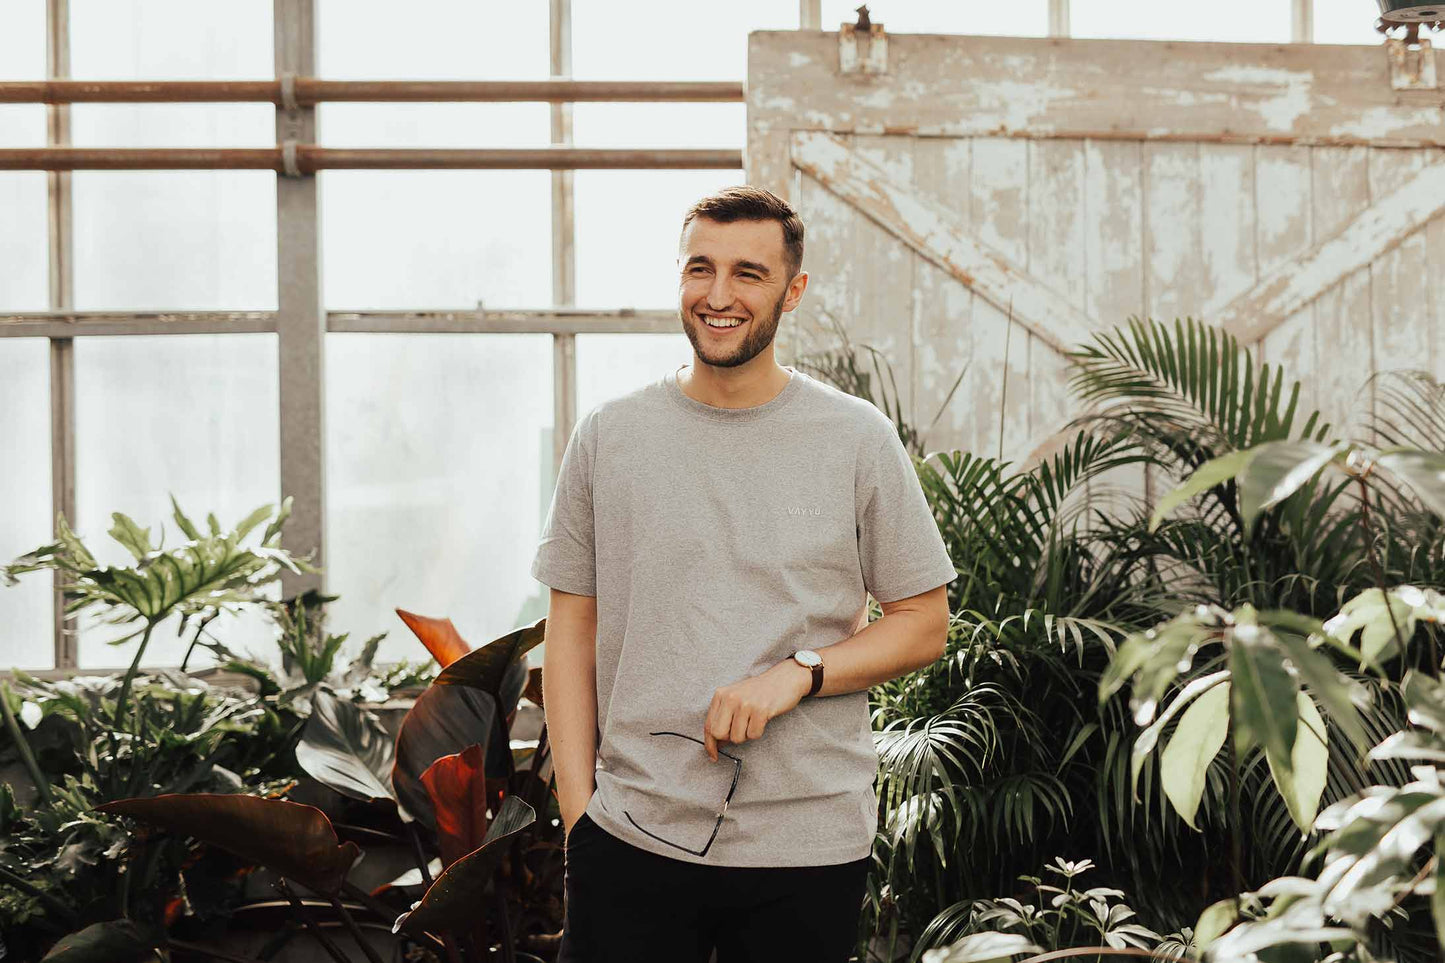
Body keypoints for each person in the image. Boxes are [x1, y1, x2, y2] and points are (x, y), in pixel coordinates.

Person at [530, 185, 957, 962]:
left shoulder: (856, 439)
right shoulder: (609, 436)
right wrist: (577, 815)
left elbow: (924, 622)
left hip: (807, 842)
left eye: (747, 274)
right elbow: (570, 630)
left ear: (791, 291)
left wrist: (800, 671)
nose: (718, 296)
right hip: (630, 833)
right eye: (701, 268)